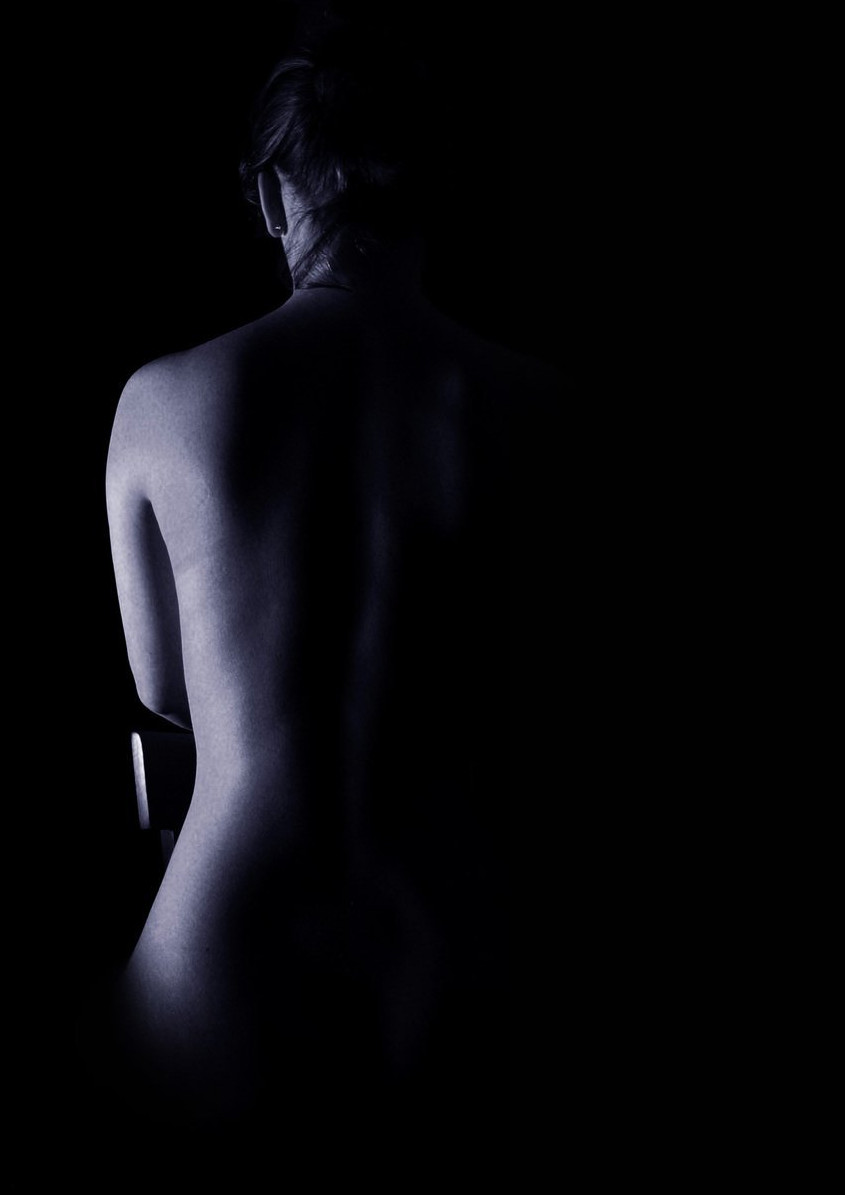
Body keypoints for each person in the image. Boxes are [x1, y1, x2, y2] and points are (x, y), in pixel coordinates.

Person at [93, 10, 561, 1184]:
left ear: (269, 195)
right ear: (431, 189)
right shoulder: (537, 410)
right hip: (459, 967)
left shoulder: (162, 403)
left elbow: (165, 696)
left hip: (220, 974)